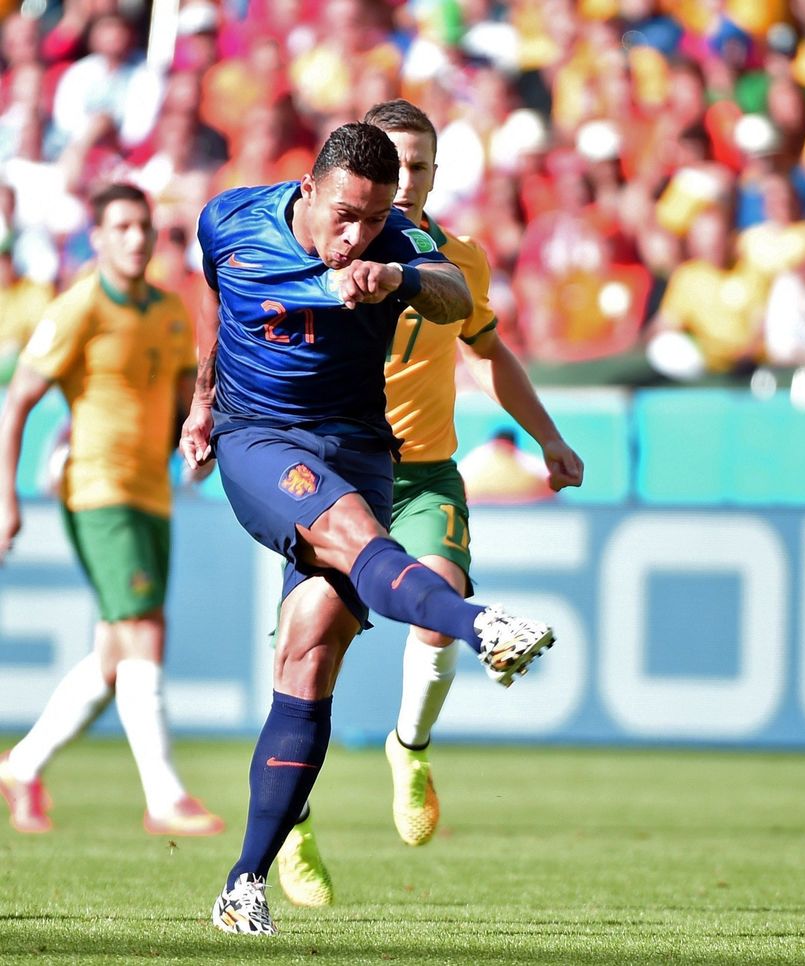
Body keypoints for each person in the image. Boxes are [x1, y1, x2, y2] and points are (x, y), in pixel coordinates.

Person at [188, 123, 558, 936]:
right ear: (308, 190)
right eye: (346, 215)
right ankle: (480, 625)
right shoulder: (228, 218)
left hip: (359, 445)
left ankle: (243, 883)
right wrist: (202, 401)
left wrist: (397, 276)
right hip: (261, 440)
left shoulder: (395, 243)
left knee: (311, 647)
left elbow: (452, 294)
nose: (356, 235)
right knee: (352, 530)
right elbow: (214, 301)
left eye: (376, 217)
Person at [272, 99, 584, 909]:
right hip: (334, 476)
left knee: (439, 598)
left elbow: (489, 351)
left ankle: (409, 747)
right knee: (313, 649)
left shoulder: (457, 262)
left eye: (417, 166)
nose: (403, 179)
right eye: (391, 162)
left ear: (436, 175)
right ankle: (291, 825)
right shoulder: (315, 246)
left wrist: (548, 437)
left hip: (420, 473)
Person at [0, 183, 223, 837]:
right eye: (121, 226)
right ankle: (165, 797)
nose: (135, 237)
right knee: (144, 630)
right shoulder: (78, 307)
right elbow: (18, 401)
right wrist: (6, 495)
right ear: (96, 237)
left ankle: (22, 766)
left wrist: (196, 444)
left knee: (114, 650)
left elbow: (184, 407)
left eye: (143, 226)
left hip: (152, 492)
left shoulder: (170, 311)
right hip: (98, 491)